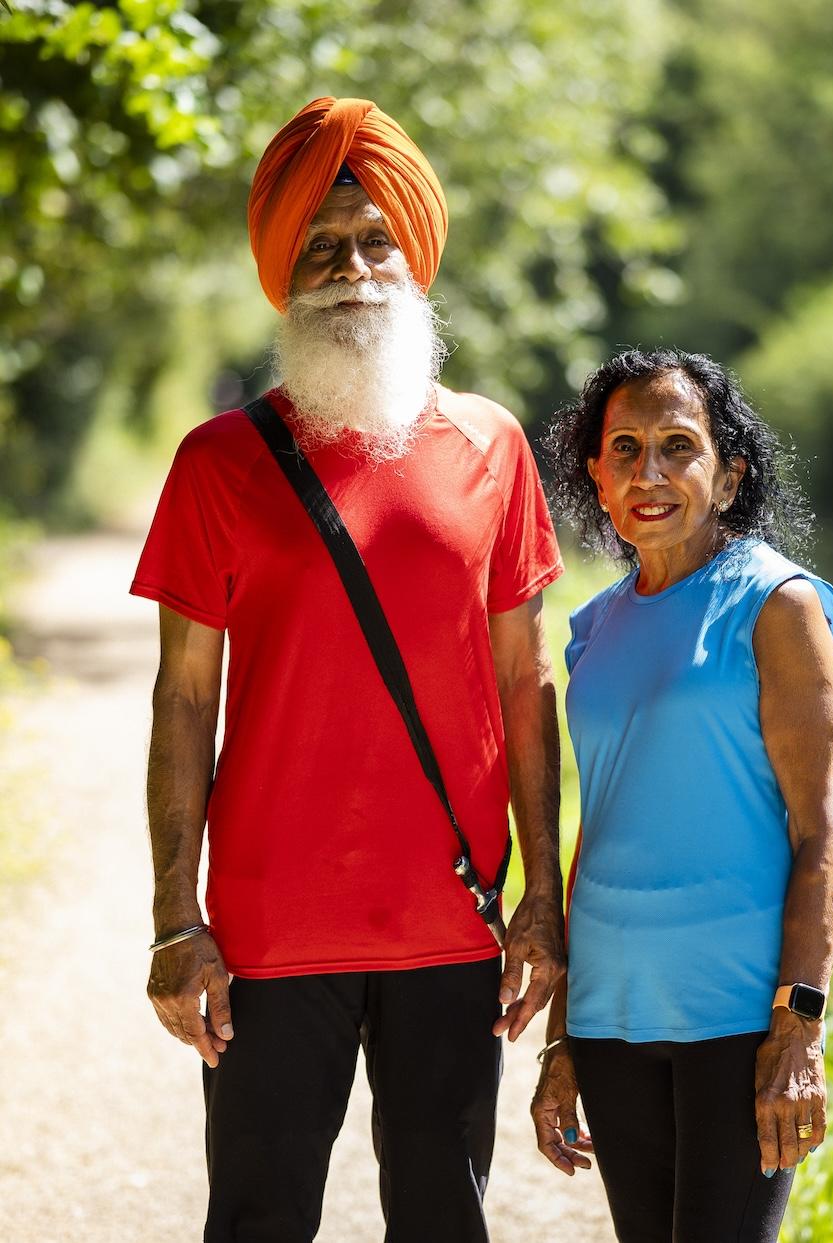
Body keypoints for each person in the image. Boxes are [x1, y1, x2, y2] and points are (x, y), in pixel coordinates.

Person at [130, 96, 566, 1243]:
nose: (353, 267)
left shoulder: (493, 445)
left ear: (413, 256)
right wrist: (178, 918)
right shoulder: (217, 463)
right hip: (270, 929)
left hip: (453, 919)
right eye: (322, 245)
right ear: (284, 272)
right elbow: (183, 700)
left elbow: (526, 689)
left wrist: (544, 905)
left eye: (376, 238)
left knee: (442, 1221)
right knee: (260, 1221)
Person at [532, 348, 833, 1242]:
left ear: (729, 471)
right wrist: (562, 1035)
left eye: (679, 447)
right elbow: (599, 832)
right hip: (610, 1020)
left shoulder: (775, 604)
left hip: (738, 1020)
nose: (651, 473)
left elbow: (823, 828)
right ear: (594, 475)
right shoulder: (593, 629)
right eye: (625, 449)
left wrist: (800, 1027)